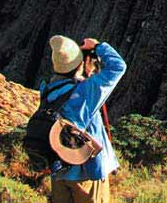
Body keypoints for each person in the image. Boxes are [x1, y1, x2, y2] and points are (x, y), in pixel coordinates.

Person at [43, 35, 126, 203]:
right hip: (86, 171)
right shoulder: (85, 92)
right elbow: (118, 67)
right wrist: (98, 46)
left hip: (59, 170)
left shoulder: (47, 89)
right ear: (80, 64)